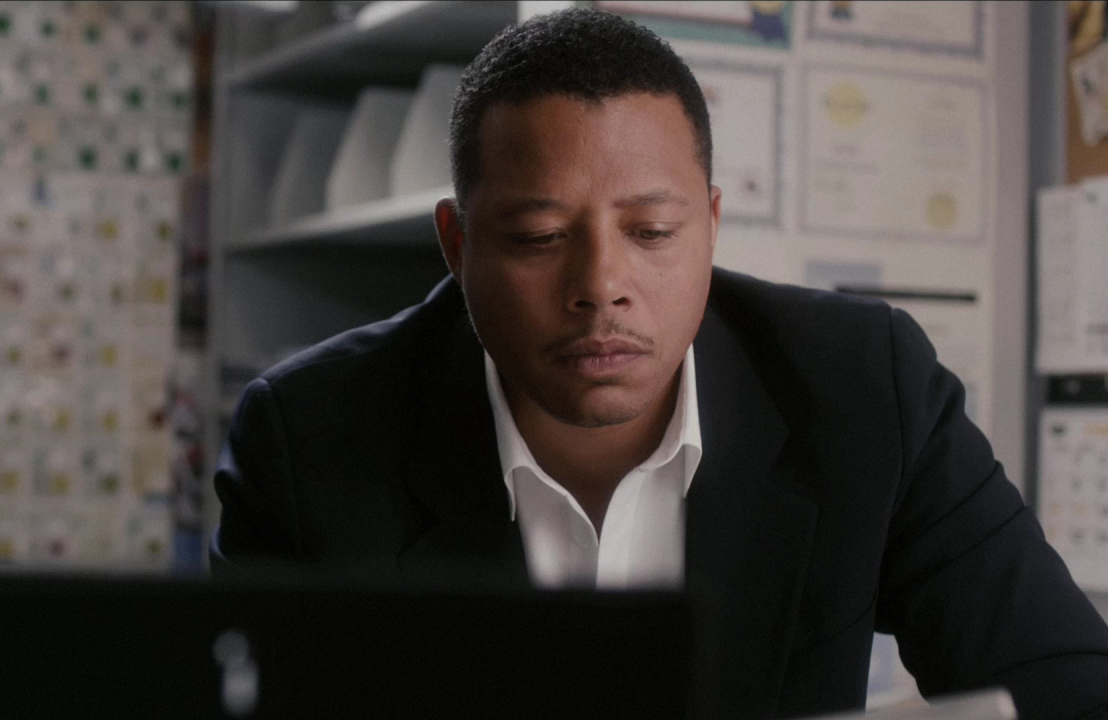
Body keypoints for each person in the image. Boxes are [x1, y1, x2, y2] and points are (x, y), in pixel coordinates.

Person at [213, 8, 1108, 718]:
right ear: (456, 243)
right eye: (540, 236)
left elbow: (1064, 687)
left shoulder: (866, 387)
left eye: (652, 232)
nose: (602, 287)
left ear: (711, 225)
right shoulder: (309, 441)